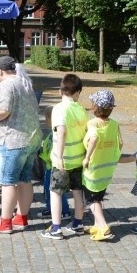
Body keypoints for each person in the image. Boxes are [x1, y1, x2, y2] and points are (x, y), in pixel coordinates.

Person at [0, 56, 42, 234]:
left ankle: (5, 222)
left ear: (0, 71)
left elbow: (2, 111)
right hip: (31, 139)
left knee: (8, 182)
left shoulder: (6, 84)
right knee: (25, 180)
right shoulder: (25, 83)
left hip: (13, 139)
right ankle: (21, 218)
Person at [40, 74, 88, 240]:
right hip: (78, 158)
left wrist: (59, 156)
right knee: (77, 192)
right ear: (78, 92)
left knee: (56, 192)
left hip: (63, 159)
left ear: (61, 90)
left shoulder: (59, 109)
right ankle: (78, 223)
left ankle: (56, 227)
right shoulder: (81, 109)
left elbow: (61, 131)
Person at [81, 89, 123, 242]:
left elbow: (93, 139)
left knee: (91, 200)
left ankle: (104, 227)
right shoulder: (115, 124)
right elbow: (121, 143)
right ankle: (97, 225)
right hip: (107, 168)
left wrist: (87, 157)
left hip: (93, 169)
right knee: (99, 197)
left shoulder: (92, 123)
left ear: (94, 107)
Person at [37, 106, 72, 221]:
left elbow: (52, 150)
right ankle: (54, 208)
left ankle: (63, 210)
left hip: (52, 167)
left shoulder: (56, 136)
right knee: (52, 190)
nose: (45, 122)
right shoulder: (52, 134)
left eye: (46, 119)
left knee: (54, 190)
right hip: (49, 166)